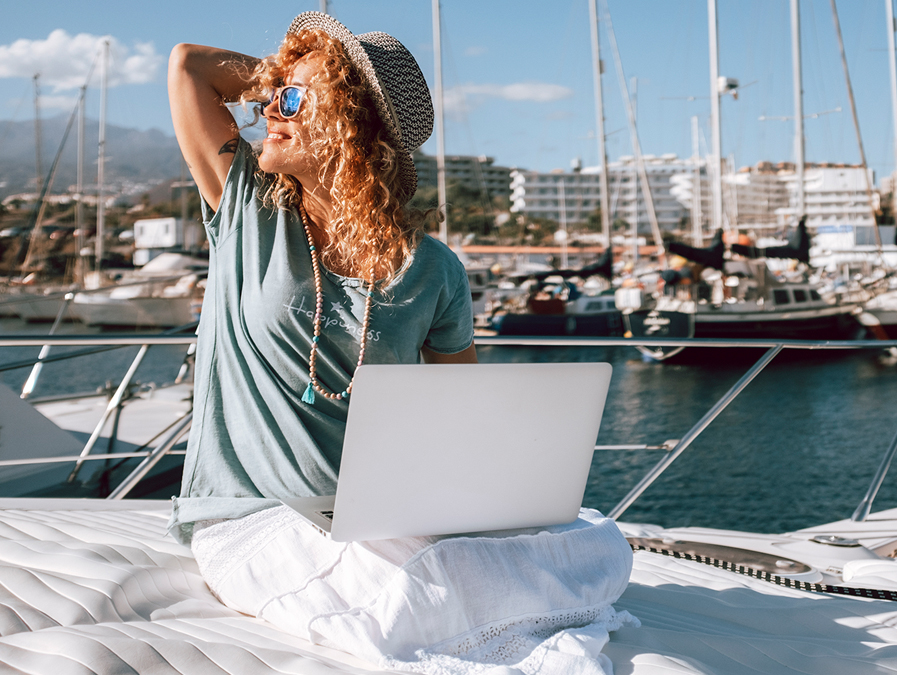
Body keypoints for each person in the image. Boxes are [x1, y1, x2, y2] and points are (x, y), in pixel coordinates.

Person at [165, 12, 633, 673]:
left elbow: (459, 423)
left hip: (377, 518)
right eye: (273, 93)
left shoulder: (431, 268)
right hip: (251, 515)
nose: (270, 107)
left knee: (597, 540)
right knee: (414, 583)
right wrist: (289, 74)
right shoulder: (247, 206)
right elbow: (189, 66)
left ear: (352, 128)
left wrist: (481, 505)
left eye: (293, 99)